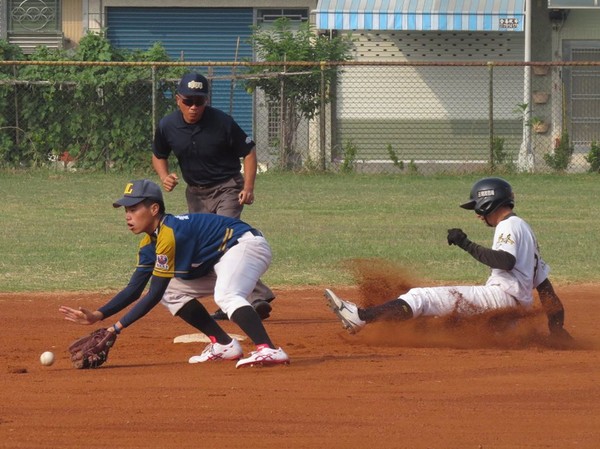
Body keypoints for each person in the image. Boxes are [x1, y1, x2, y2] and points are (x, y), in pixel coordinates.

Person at [59, 179, 289, 368]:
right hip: (218, 259)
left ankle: (268, 349)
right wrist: (98, 315)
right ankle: (223, 345)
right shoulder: (150, 244)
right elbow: (135, 289)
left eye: (133, 209)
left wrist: (115, 328)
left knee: (226, 295)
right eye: (126, 211)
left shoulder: (170, 233)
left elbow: (153, 293)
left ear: (154, 209)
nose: (128, 216)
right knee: (173, 292)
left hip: (245, 246)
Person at [324, 177, 572, 341]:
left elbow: (504, 261)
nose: (476, 215)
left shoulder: (509, 226)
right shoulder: (526, 231)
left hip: (501, 299)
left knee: (420, 297)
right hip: (512, 311)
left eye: (477, 208)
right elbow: (546, 288)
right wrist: (557, 330)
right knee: (442, 320)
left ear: (488, 203)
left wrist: (465, 243)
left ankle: (360, 317)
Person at [151, 72, 274, 321]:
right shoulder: (167, 125)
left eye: (200, 101)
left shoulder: (222, 122)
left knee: (224, 244)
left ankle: (249, 298)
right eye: (188, 101)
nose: (194, 107)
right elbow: (158, 154)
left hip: (227, 188)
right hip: (195, 193)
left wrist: (248, 187)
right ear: (178, 99)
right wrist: (164, 176)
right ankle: (257, 293)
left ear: (206, 100)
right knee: (206, 248)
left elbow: (248, 152)